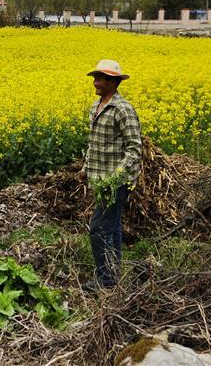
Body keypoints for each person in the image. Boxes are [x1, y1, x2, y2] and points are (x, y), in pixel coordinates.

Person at [80, 59, 142, 291]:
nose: (95, 82)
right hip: (99, 178)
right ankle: (113, 275)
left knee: (99, 228)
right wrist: (85, 168)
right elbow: (94, 143)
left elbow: (134, 148)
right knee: (113, 227)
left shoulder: (122, 109)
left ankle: (105, 280)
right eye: (95, 77)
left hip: (115, 182)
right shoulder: (96, 107)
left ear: (113, 82)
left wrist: (114, 178)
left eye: (100, 78)